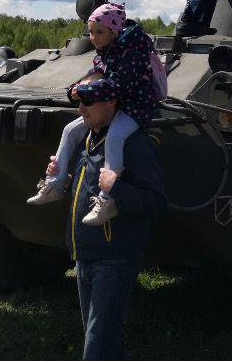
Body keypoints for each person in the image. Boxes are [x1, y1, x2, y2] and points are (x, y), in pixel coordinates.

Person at [45, 78, 165, 361]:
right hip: (85, 254)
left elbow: (156, 203)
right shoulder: (88, 137)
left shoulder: (134, 144)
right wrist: (65, 182)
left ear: (111, 102)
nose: (80, 110)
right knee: (103, 341)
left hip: (114, 259)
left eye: (88, 102)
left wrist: (117, 188)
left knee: (97, 346)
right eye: (79, 102)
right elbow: (90, 188)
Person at [27, 3, 160, 226]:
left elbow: (118, 85)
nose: (93, 37)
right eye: (90, 32)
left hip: (136, 108)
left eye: (99, 32)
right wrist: (75, 89)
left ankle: (107, 198)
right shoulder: (105, 54)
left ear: (114, 32)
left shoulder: (132, 53)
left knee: (114, 137)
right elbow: (93, 76)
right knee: (70, 129)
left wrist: (85, 92)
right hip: (114, 107)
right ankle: (55, 183)